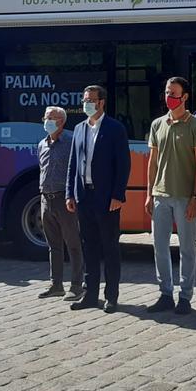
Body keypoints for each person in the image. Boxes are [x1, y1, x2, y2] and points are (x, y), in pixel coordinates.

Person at [146, 76, 196, 315]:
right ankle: (165, 293)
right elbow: (152, 162)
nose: (168, 97)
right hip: (160, 194)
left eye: (173, 93)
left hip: (185, 196)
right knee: (159, 246)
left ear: (185, 97)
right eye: (166, 92)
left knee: (187, 248)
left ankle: (185, 296)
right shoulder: (157, 124)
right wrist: (149, 193)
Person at [66, 85, 130, 313]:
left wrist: (118, 195)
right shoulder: (79, 128)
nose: (87, 104)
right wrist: (69, 193)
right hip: (84, 196)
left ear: (102, 102)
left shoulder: (115, 128)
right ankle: (90, 295)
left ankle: (111, 296)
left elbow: (123, 165)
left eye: (91, 100)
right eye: (85, 100)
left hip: (107, 198)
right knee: (89, 247)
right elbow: (73, 164)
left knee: (110, 247)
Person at [37, 106, 83, 301]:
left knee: (73, 243)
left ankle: (76, 285)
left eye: (52, 118)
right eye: (46, 118)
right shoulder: (42, 144)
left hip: (65, 199)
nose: (47, 121)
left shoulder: (72, 141)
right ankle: (56, 284)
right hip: (45, 198)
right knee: (53, 245)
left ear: (62, 121)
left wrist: (72, 196)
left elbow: (77, 171)